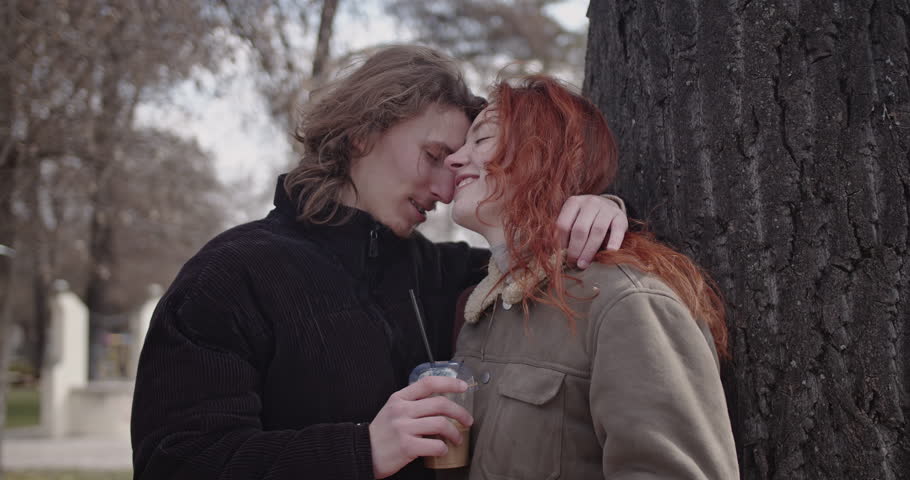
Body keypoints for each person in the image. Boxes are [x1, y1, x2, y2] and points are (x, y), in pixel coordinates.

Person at [130, 45, 628, 480]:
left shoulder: (447, 275)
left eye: (456, 162)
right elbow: (175, 463)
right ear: (362, 134)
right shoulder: (230, 276)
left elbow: (538, 259)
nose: (445, 186)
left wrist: (598, 208)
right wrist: (359, 451)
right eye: (434, 155)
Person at [442, 75, 739, 479]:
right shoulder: (482, 310)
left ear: (542, 155)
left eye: (481, 139)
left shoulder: (626, 302)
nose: (454, 159)